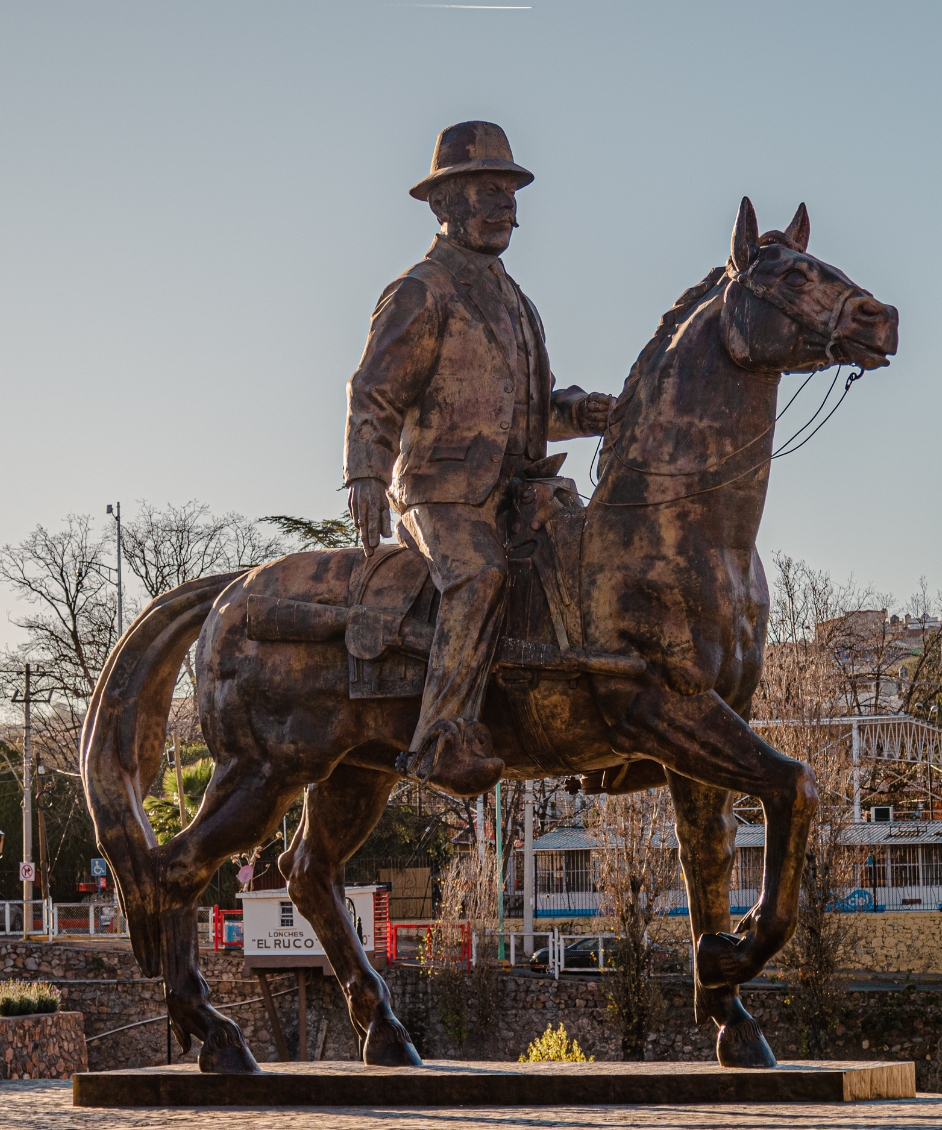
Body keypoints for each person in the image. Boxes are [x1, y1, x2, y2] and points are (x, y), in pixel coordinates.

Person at [344, 121, 613, 798]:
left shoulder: (519, 303)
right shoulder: (422, 290)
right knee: (480, 578)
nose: (506, 207)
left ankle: (604, 725)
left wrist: (580, 413)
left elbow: (527, 408)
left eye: (510, 192)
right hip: (443, 497)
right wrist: (366, 474)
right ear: (443, 205)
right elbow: (373, 392)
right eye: (488, 191)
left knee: (592, 561)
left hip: (519, 492)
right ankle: (443, 734)